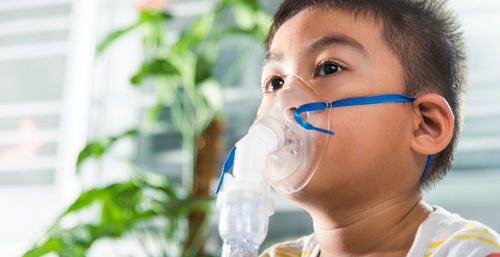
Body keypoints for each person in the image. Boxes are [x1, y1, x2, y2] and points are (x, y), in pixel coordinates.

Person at [257, 0, 500, 256]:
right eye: (275, 82)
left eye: (329, 68)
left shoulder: (469, 251)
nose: (285, 101)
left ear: (426, 125)